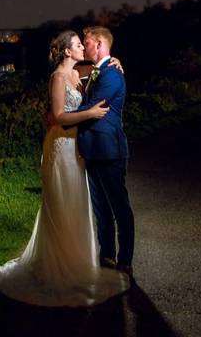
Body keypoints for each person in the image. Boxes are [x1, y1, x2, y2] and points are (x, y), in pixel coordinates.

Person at [0, 30, 130, 306]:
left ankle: (78, 261)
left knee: (77, 205)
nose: (83, 47)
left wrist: (114, 59)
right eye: (79, 44)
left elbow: (100, 67)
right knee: (61, 203)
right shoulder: (58, 77)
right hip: (60, 147)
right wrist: (90, 113)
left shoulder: (82, 72)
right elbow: (57, 116)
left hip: (77, 150)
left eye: (84, 43)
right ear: (67, 51)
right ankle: (57, 265)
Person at [75, 25, 135, 277]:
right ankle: (106, 253)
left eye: (86, 42)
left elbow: (90, 106)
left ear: (98, 44)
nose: (84, 46)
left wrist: (59, 116)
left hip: (110, 150)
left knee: (119, 207)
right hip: (92, 150)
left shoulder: (111, 75)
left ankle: (125, 260)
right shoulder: (98, 71)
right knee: (101, 208)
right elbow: (84, 79)